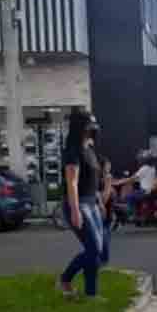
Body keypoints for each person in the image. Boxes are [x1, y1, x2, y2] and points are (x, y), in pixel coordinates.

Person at [60, 110, 105, 299]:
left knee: (96, 251)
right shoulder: (73, 150)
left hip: (92, 204)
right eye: (89, 125)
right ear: (80, 127)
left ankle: (91, 295)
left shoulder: (90, 150)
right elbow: (72, 182)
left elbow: (93, 180)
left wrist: (100, 201)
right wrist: (76, 210)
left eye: (94, 124)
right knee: (94, 249)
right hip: (78, 204)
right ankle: (65, 279)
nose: (93, 128)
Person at [99, 155, 114, 266]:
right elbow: (104, 198)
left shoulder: (107, 178)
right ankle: (101, 264)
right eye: (107, 165)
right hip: (100, 215)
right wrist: (108, 184)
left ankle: (103, 264)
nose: (109, 167)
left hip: (107, 215)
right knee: (102, 241)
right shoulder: (99, 180)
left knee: (104, 241)